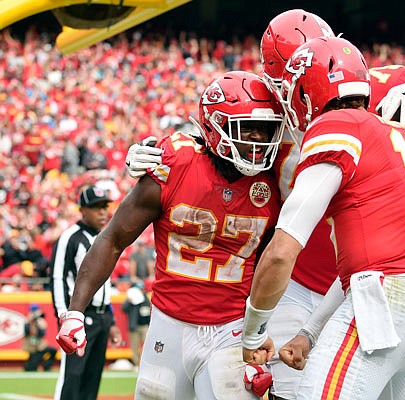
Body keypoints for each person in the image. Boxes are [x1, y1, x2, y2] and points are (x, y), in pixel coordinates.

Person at [125, 10, 405, 400]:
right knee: (291, 389)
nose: (296, 88)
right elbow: (215, 135)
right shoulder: (265, 110)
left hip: (361, 276)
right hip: (301, 282)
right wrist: (162, 149)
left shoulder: (377, 88)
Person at [241, 36, 405, 400]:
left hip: (385, 302)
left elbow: (282, 250)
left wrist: (252, 332)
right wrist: (310, 334)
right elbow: (357, 273)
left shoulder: (338, 126)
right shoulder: (401, 136)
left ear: (307, 94)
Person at [55, 71, 284, 400]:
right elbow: (113, 238)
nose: (257, 139)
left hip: (232, 329)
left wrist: (262, 330)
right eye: (246, 127)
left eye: (264, 129)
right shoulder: (175, 163)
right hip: (169, 324)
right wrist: (75, 311)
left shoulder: (277, 180)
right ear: (214, 126)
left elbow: (278, 261)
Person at [50, 185, 122, 400]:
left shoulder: (104, 238)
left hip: (100, 317)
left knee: (92, 379)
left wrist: (110, 321)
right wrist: (65, 317)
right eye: (96, 207)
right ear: (82, 210)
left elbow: (104, 286)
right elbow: (58, 277)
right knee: (72, 377)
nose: (102, 212)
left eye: (104, 207)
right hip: (80, 317)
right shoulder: (71, 237)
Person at [122, 281, 151, 368]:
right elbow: (124, 308)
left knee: (147, 346)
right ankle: (136, 364)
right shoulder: (131, 299)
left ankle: (146, 364)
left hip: (144, 326)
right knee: (134, 347)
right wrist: (129, 301)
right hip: (134, 327)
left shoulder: (145, 299)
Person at [22, 304, 57, 372]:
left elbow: (42, 334)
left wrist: (41, 326)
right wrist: (29, 323)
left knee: (53, 351)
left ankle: (47, 366)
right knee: (31, 368)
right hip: (32, 348)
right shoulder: (27, 321)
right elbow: (26, 333)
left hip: (40, 347)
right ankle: (30, 365)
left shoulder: (41, 321)